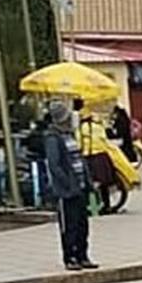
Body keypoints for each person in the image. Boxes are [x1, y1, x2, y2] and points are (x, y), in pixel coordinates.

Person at [44, 100, 98, 271]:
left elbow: (79, 160)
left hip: (80, 187)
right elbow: (54, 165)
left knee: (83, 224)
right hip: (67, 192)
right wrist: (68, 184)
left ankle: (83, 255)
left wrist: (88, 182)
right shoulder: (53, 138)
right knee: (70, 225)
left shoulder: (71, 135)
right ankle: (70, 257)